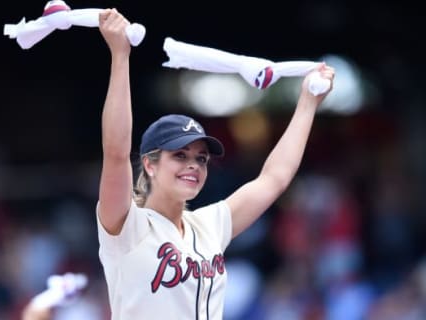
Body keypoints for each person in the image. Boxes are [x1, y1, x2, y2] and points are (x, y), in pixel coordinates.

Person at [96, 8, 335, 320]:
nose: (193, 164)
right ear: (149, 165)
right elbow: (115, 151)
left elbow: (274, 178)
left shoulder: (209, 226)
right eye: (179, 155)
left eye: (201, 158)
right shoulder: (126, 226)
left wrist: (307, 102)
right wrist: (120, 56)